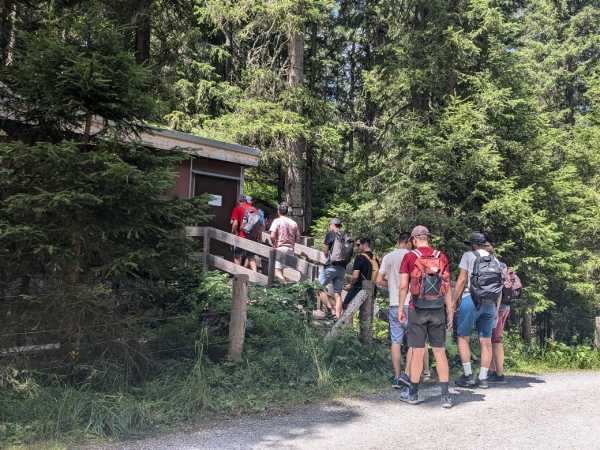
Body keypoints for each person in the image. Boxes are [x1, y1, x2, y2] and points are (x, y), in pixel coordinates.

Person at [398, 225, 454, 408]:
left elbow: (403, 286)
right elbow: (446, 287)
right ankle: (445, 396)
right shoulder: (441, 256)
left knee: (418, 351)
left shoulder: (410, 256)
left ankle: (413, 393)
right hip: (438, 309)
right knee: (439, 351)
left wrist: (400, 308)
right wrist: (450, 311)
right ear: (428, 238)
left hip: (417, 308)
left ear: (414, 239)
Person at [453, 232, 503, 389]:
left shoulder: (468, 255)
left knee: (462, 337)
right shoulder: (495, 259)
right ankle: (483, 378)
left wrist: (454, 301)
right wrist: (496, 307)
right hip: (490, 303)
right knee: (486, 341)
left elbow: (461, 280)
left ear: (473, 244)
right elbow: (498, 286)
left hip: (471, 299)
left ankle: (468, 375)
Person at [377, 232, 418, 389]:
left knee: (396, 341)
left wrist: (392, 286)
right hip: (412, 305)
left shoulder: (388, 257)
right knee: (414, 342)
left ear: (397, 241)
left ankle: (396, 377)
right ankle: (407, 376)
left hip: (394, 304)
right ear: (408, 242)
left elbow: (378, 280)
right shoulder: (414, 256)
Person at [317, 218, 352, 319]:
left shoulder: (331, 234)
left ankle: (331, 310)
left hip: (331, 266)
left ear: (332, 225)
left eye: (330, 225)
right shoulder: (345, 236)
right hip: (342, 269)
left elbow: (325, 251)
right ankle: (338, 317)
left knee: (317, 287)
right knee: (338, 293)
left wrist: (328, 255)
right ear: (340, 225)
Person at [343, 236, 379, 309]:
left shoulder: (360, 257)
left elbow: (355, 276)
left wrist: (350, 285)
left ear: (365, 244)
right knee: (366, 314)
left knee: (346, 307)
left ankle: (345, 321)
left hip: (359, 288)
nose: (357, 247)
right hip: (372, 289)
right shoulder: (376, 259)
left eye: (358, 245)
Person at [269, 202, 300, 283]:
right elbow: (298, 238)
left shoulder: (277, 221)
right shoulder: (294, 223)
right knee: (285, 272)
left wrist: (274, 243)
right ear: (287, 212)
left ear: (278, 211)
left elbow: (272, 236)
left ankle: (284, 284)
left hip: (280, 248)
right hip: (290, 249)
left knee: (277, 272)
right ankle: (283, 290)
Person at [229, 195, 261, 271]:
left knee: (237, 255)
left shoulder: (237, 208)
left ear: (239, 201)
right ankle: (255, 277)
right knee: (251, 256)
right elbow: (259, 224)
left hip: (242, 235)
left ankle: (238, 275)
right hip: (252, 236)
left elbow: (235, 223)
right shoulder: (254, 210)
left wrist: (233, 232)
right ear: (246, 201)